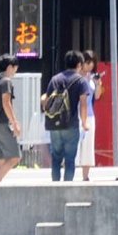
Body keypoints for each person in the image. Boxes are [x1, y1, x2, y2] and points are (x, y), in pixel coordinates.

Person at [42, 52, 90, 183]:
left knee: (56, 157)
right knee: (70, 158)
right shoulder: (81, 81)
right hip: (71, 123)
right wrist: (85, 122)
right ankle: (67, 186)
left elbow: (46, 100)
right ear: (79, 64)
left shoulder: (55, 79)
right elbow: (83, 104)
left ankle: (55, 184)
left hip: (54, 124)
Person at [0, 56, 27, 182]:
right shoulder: (6, 82)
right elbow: (6, 103)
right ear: (10, 67)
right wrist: (15, 122)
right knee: (15, 156)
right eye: (15, 68)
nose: (16, 71)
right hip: (3, 123)